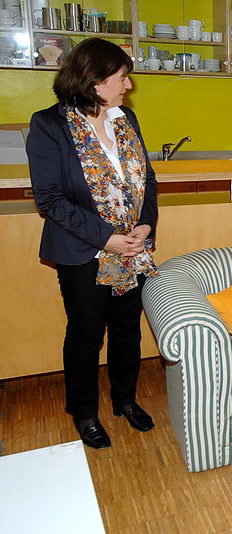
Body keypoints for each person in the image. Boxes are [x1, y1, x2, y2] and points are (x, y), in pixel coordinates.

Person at [26, 38, 158, 449]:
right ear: (95, 81)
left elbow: (147, 178)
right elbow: (50, 199)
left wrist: (145, 225)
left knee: (126, 330)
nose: (128, 85)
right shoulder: (50, 125)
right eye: (122, 77)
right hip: (83, 251)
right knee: (86, 335)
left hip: (132, 249)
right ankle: (84, 414)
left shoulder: (126, 119)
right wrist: (107, 238)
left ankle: (125, 401)